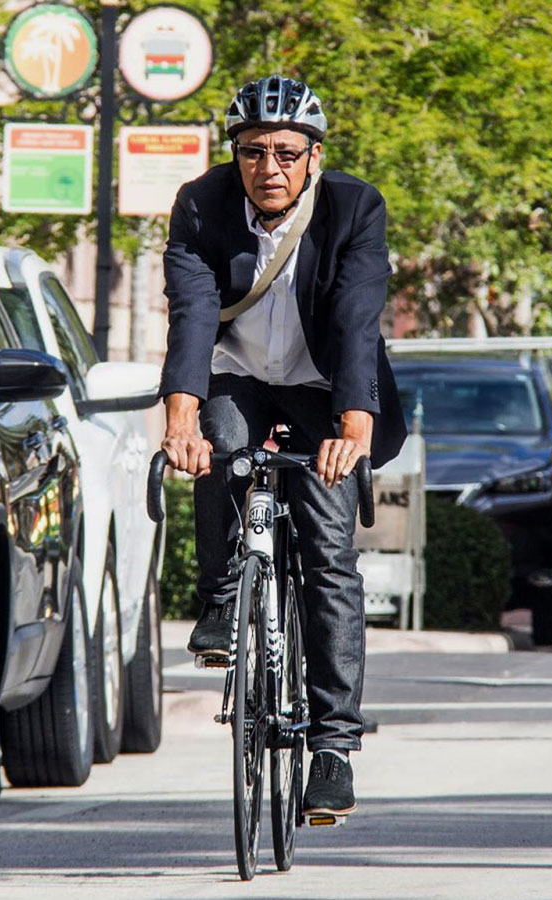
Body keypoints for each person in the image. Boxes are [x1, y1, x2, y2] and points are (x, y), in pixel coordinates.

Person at [160, 74, 406, 819]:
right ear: (234, 153)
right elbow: (192, 313)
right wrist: (180, 419)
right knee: (222, 446)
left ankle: (332, 747)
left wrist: (353, 430)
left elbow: (358, 317)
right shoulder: (199, 204)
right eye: (253, 151)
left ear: (313, 156)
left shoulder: (354, 207)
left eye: (287, 153)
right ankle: (221, 597)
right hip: (237, 373)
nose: (269, 167)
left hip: (322, 385)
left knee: (329, 552)